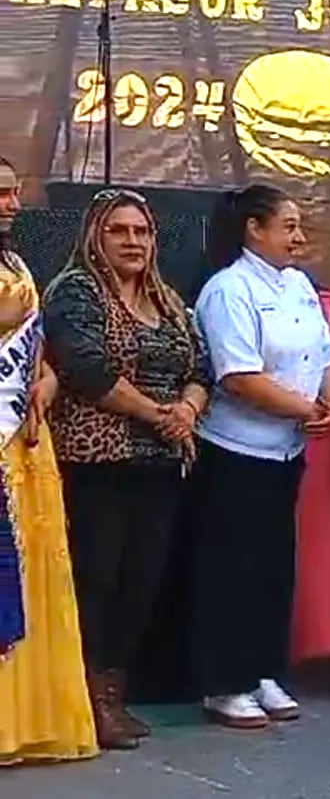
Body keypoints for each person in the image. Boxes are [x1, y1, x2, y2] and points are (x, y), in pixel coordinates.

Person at [42, 188, 209, 751]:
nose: (133, 241)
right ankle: (86, 703)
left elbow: (201, 363)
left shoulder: (165, 297)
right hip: (97, 463)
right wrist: (159, 414)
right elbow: (83, 367)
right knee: (98, 582)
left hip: (159, 464)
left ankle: (113, 694)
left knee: (141, 584)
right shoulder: (76, 291)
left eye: (141, 232)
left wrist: (186, 410)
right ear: (96, 235)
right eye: (120, 231)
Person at [190, 185, 330, 730]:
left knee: (273, 569)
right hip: (237, 451)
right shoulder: (227, 290)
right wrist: (305, 408)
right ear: (254, 230)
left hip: (286, 453)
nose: (299, 238)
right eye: (289, 226)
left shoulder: (299, 285)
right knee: (232, 570)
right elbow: (237, 376)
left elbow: (324, 354)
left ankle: (262, 671)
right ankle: (223, 683)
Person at [0, 158, 98, 766]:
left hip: (25, 441)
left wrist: (48, 383)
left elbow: (39, 352)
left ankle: (27, 718)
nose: (11, 203)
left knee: (31, 572)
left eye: (13, 191)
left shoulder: (19, 267)